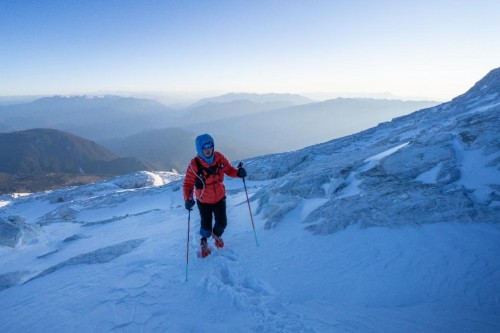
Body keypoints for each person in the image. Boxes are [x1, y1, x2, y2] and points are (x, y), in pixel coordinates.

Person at [183, 134, 247, 258]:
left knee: (222, 223)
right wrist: (187, 199)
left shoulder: (219, 157)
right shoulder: (194, 164)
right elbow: (188, 184)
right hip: (204, 201)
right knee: (206, 225)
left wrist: (238, 173)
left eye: (210, 145)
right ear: (199, 148)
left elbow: (229, 169)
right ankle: (204, 241)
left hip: (219, 198)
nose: (208, 149)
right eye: (204, 147)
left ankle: (216, 235)